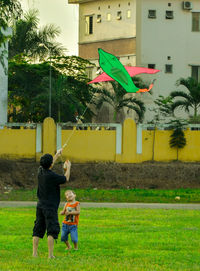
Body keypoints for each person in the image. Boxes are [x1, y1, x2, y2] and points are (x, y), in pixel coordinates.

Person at [32, 149, 71, 258]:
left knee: (37, 229)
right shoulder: (52, 176)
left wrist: (57, 154)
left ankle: (34, 253)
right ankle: (50, 255)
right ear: (50, 164)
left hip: (40, 206)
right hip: (50, 208)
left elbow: (49, 163)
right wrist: (68, 167)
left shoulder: (40, 171)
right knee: (51, 230)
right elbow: (66, 178)